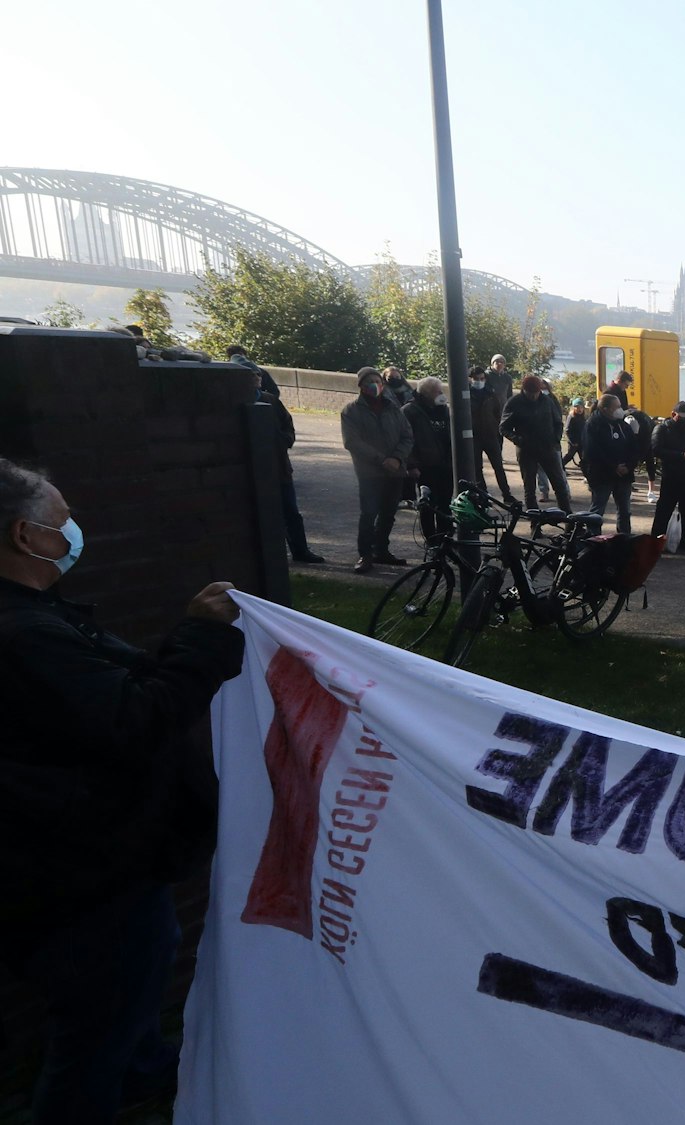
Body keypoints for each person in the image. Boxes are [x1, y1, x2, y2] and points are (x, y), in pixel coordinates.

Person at [0, 460, 246, 1123]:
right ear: (26, 537)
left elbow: (94, 707)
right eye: (62, 519)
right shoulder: (22, 635)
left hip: (76, 869)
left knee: (121, 1007)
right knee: (90, 1044)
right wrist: (198, 637)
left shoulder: (33, 618)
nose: (75, 530)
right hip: (84, 886)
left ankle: (144, 1070)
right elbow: (134, 720)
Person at [231, 346, 324, 564]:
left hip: (279, 466)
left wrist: (284, 441)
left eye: (258, 374)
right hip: (253, 469)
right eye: (252, 375)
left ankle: (301, 551)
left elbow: (287, 424)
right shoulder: (236, 403)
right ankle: (269, 555)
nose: (257, 378)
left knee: (291, 511)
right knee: (262, 513)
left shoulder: (271, 399)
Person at [340, 368, 414, 573]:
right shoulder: (351, 411)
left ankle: (381, 550)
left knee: (389, 513)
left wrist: (397, 458)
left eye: (377, 381)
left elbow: (407, 436)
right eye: (370, 381)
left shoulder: (393, 408)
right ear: (361, 386)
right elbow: (352, 442)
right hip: (370, 473)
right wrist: (382, 460)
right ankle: (365, 554)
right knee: (369, 513)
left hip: (395, 471)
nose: (375, 385)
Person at [500, 375, 571, 512]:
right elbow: (503, 428)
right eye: (530, 393)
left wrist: (555, 439)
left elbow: (558, 422)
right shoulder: (514, 403)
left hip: (548, 448)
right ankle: (535, 525)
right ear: (524, 390)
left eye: (536, 393)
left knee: (560, 485)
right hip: (526, 450)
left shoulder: (547, 401)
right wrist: (519, 440)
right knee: (530, 489)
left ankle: (569, 520)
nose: (533, 396)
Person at [403, 377, 454, 543]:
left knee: (445, 503)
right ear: (426, 393)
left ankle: (445, 537)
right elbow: (405, 440)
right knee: (428, 505)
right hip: (425, 466)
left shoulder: (443, 410)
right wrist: (411, 465)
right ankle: (432, 540)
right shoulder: (410, 411)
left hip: (445, 465)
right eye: (437, 391)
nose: (441, 394)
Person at [582, 394, 639, 534]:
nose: (620, 410)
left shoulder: (623, 425)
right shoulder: (593, 425)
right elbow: (591, 451)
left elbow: (634, 448)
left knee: (625, 511)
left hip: (624, 476)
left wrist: (629, 466)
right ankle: (592, 540)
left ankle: (624, 540)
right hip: (602, 475)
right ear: (605, 409)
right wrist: (613, 467)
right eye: (617, 407)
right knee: (597, 510)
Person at [650, 401, 685, 552]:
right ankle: (656, 539)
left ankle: (683, 538)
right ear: (674, 415)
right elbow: (656, 450)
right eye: (682, 417)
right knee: (664, 509)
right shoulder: (662, 429)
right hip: (671, 476)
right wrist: (680, 456)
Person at [468, 363, 513, 505]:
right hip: (474, 436)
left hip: (490, 435)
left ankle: (507, 494)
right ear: (470, 379)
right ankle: (483, 495)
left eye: (482, 378)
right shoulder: (466, 395)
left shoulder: (490, 393)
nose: (479, 381)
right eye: (476, 378)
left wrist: (496, 429)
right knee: (477, 468)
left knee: (498, 466)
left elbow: (497, 413)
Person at [562, 397, 589, 469]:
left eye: (581, 407)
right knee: (569, 456)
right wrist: (573, 442)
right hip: (574, 442)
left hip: (581, 441)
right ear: (574, 408)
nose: (579, 409)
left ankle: (587, 473)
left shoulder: (583, 417)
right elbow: (567, 430)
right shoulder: (571, 417)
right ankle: (560, 467)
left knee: (584, 458)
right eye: (577, 407)